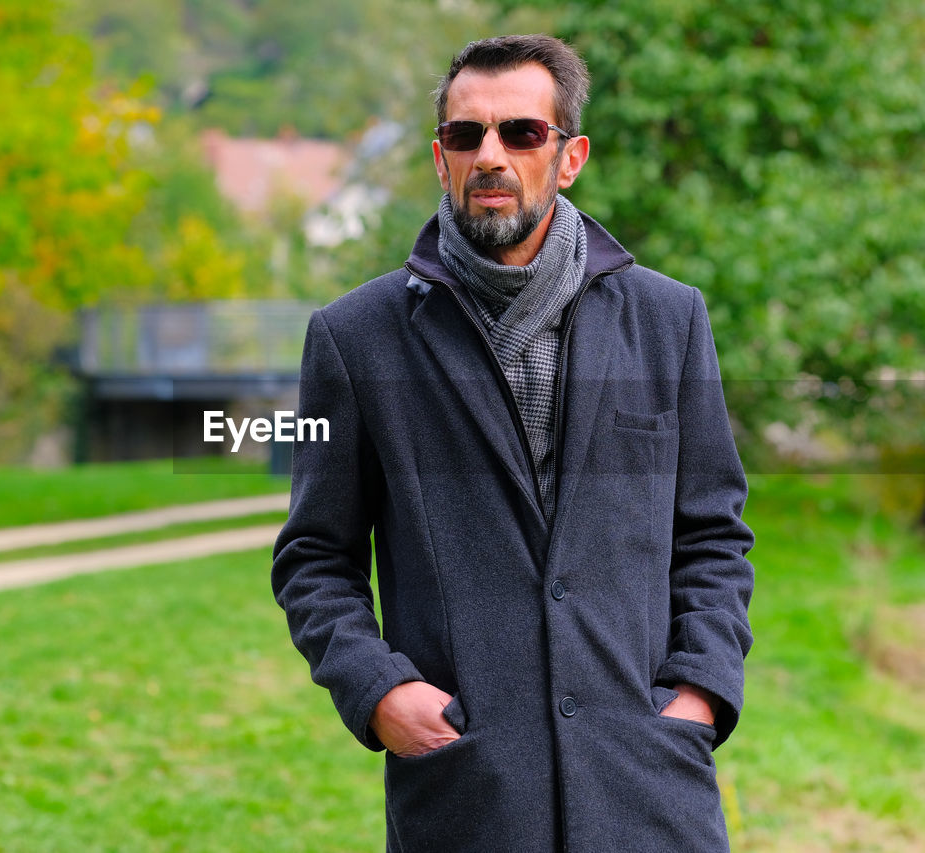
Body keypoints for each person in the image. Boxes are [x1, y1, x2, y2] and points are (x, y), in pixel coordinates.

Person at [272, 34, 754, 852]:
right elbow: (315, 556)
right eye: (467, 136)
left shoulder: (670, 323)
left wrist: (701, 691)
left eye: (522, 133)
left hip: (647, 790)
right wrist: (378, 689)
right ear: (440, 157)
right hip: (470, 796)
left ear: (569, 158)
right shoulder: (357, 340)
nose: (490, 155)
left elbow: (711, 536)